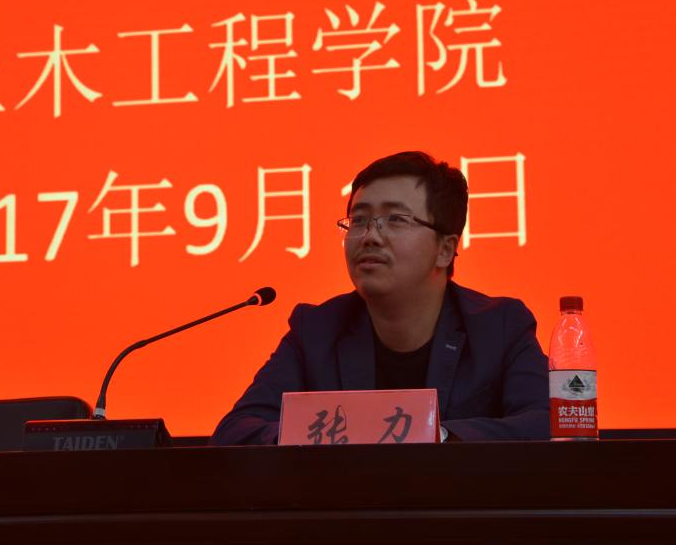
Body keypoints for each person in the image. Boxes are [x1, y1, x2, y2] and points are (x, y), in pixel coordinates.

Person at [211, 151, 549, 445]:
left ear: (445, 249)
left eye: (396, 220)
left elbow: (549, 424)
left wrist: (436, 436)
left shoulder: (499, 327)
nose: (370, 236)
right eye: (359, 220)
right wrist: (322, 435)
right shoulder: (316, 330)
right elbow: (235, 432)